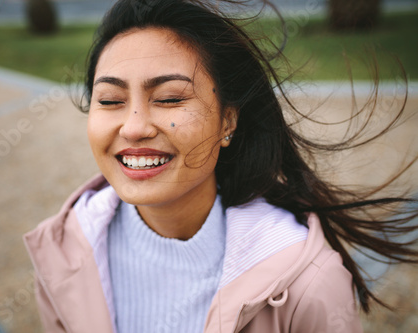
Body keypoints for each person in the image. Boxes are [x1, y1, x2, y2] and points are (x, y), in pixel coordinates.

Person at [24, 0, 418, 332]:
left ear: (227, 121)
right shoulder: (62, 251)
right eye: (110, 100)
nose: (135, 127)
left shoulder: (308, 284)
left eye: (170, 98)